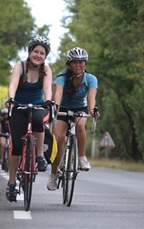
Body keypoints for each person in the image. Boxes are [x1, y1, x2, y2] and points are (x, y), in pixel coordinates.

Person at [5, 37, 53, 202]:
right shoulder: (20, 66)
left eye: (42, 53)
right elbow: (13, 83)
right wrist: (11, 98)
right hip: (18, 107)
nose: (38, 55)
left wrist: (48, 100)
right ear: (30, 52)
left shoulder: (46, 69)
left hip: (38, 106)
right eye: (35, 51)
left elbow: (47, 87)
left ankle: (39, 156)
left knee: (40, 120)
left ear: (45, 56)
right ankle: (12, 183)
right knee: (17, 145)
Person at [47, 47, 100, 191]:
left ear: (85, 63)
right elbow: (58, 93)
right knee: (59, 140)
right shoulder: (62, 77)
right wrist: (55, 107)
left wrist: (92, 110)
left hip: (80, 110)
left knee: (80, 126)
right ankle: (53, 175)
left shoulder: (91, 78)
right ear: (69, 64)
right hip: (63, 109)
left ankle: (82, 158)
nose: (78, 65)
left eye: (81, 62)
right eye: (75, 62)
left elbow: (91, 97)